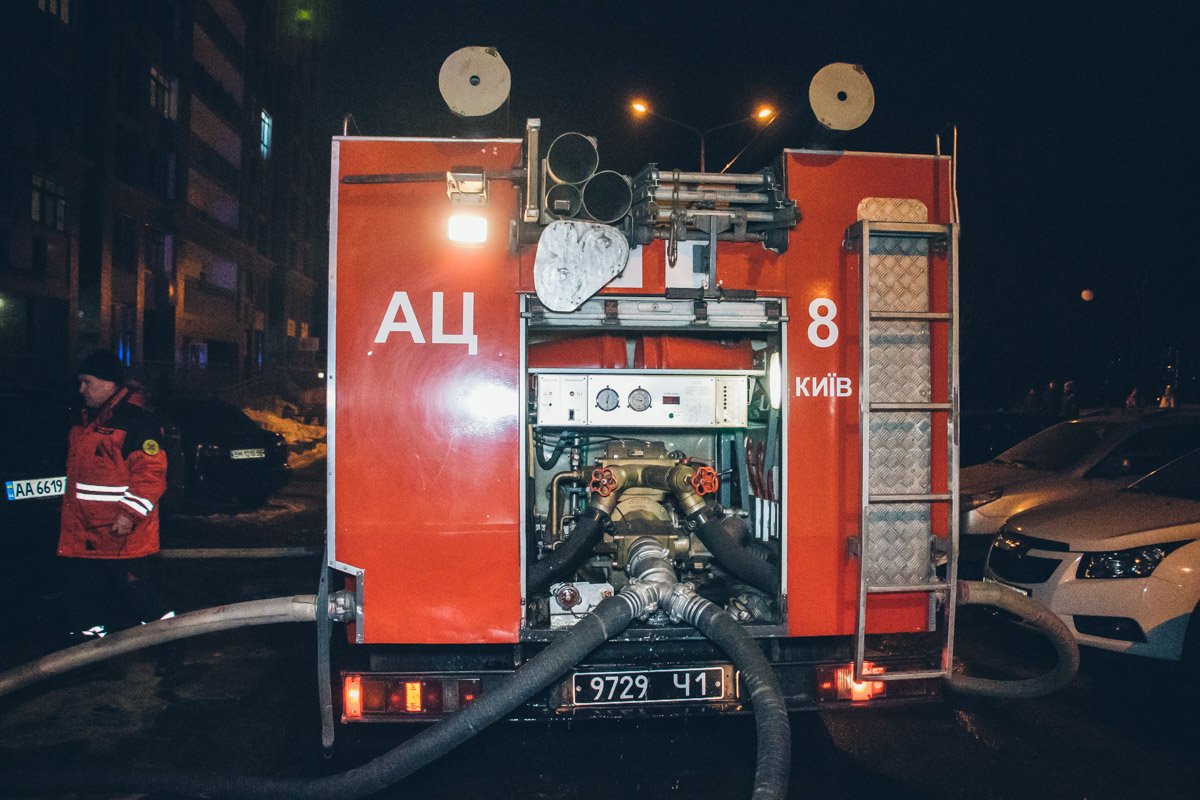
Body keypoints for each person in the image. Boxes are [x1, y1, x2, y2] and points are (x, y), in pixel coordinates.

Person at [58, 350, 173, 641]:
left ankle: (170, 646)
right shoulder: (84, 420)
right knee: (82, 599)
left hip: (123, 535)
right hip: (86, 534)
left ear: (108, 383)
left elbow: (151, 476)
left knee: (139, 595)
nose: (81, 389)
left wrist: (129, 515)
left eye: (87, 382)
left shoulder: (136, 423)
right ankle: (90, 657)